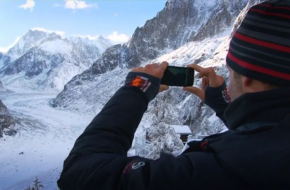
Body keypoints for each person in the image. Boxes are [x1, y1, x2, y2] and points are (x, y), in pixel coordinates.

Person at [57, 1, 290, 189]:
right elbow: (266, 132)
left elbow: (80, 173)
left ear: (247, 77)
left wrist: (135, 90)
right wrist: (224, 104)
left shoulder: (213, 172)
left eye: (231, 72)